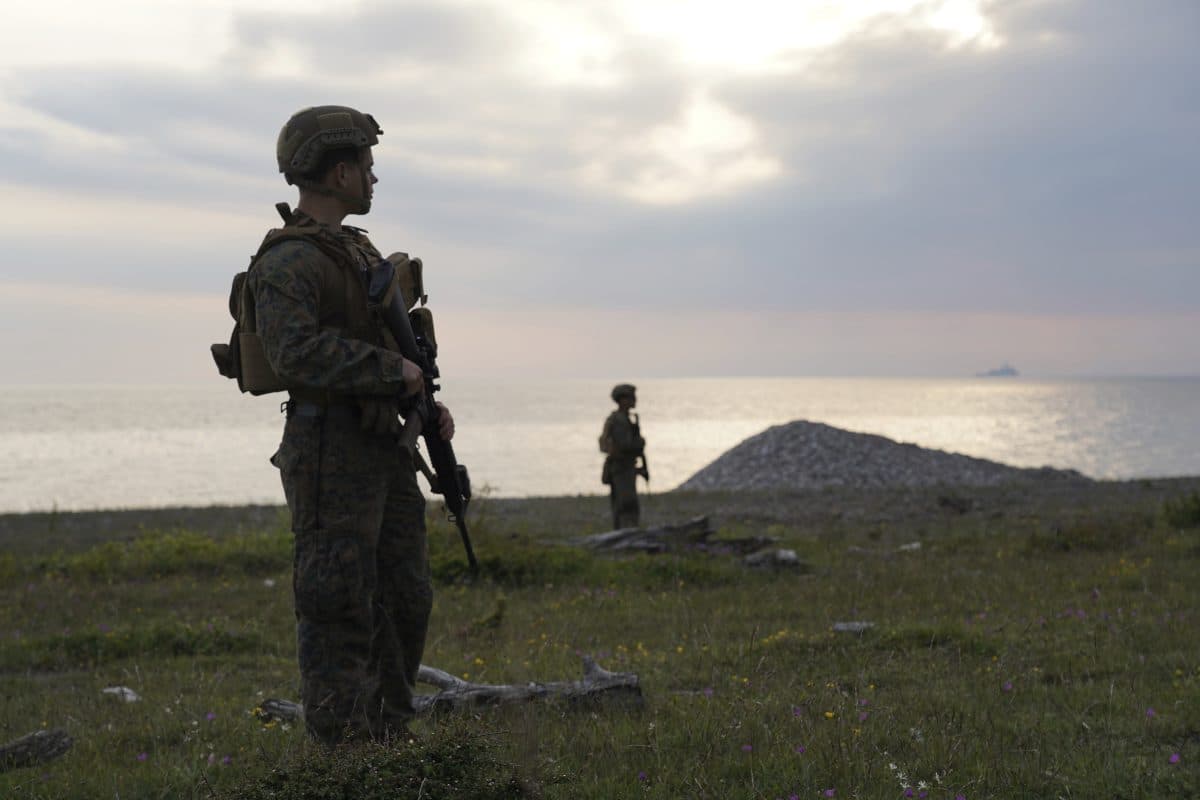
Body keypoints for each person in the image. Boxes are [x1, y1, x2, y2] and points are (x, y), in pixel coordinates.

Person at [249, 105, 454, 745]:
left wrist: (424, 403)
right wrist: (392, 371)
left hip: (382, 444)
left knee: (405, 594)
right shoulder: (287, 261)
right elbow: (295, 354)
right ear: (339, 172)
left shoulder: (358, 250)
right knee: (337, 600)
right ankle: (343, 752)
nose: (373, 177)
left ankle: (391, 736)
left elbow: (393, 350)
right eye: (366, 165)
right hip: (327, 449)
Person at [600, 383, 647, 528]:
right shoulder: (618, 420)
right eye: (631, 397)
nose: (634, 400)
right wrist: (639, 443)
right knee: (625, 504)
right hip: (621, 468)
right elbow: (624, 445)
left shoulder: (626, 419)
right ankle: (625, 535)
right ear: (622, 400)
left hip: (626, 467)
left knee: (627, 504)